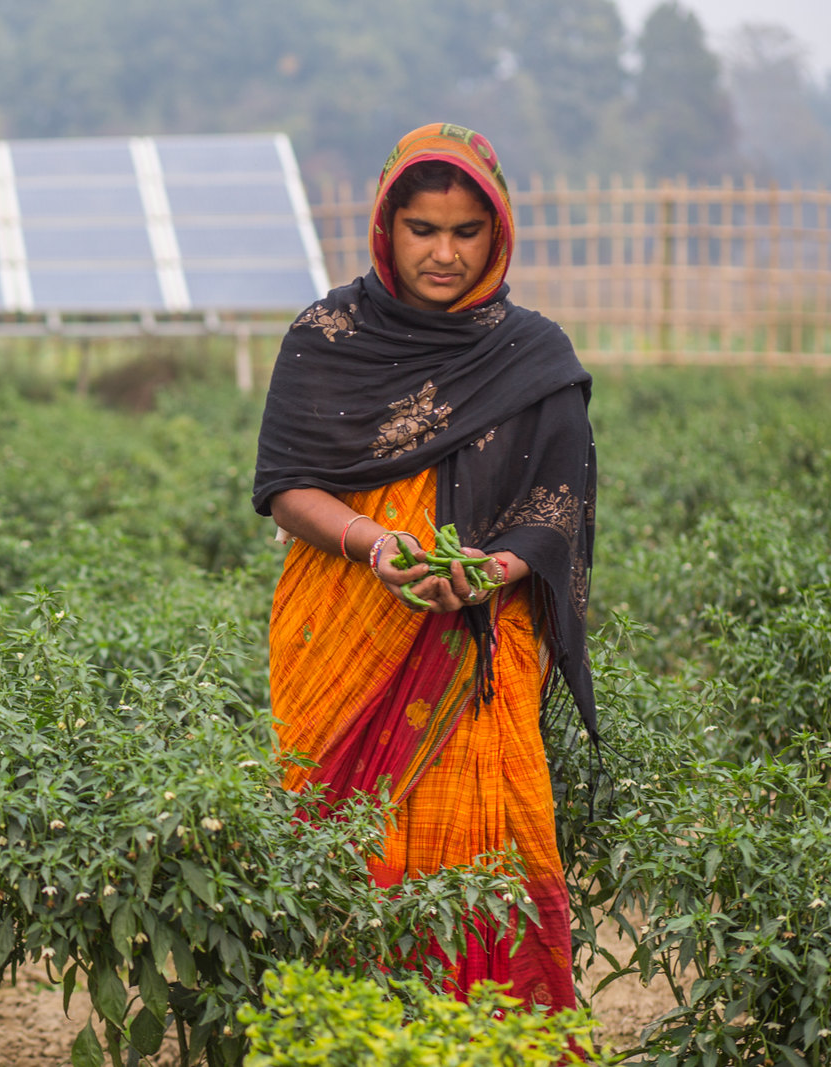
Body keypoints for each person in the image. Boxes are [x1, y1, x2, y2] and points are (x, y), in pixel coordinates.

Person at [251, 123, 596, 1012]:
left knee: (492, 852)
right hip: (346, 625)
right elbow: (287, 484)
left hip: (481, 643)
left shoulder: (535, 356)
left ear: (499, 233)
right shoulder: (326, 337)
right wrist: (375, 542)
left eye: (465, 232)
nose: (443, 253)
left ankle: (496, 1035)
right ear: (385, 227)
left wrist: (492, 567)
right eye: (422, 229)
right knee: (340, 854)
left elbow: (555, 507)